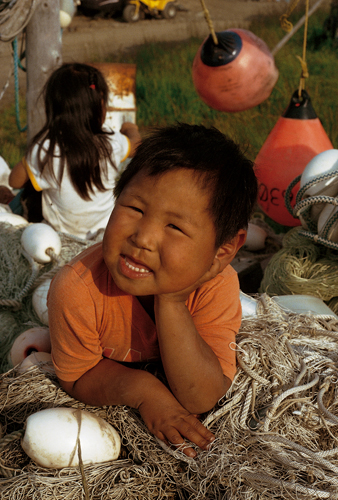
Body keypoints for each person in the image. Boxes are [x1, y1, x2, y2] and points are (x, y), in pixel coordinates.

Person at [48, 123, 258, 457]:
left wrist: (172, 301)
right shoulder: (77, 289)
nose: (142, 238)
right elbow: (78, 376)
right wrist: (145, 391)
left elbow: (201, 396)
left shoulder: (217, 285)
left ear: (223, 251)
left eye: (174, 226)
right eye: (134, 209)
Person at [9, 62, 141, 239]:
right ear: (98, 107)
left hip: (61, 238)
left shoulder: (46, 149)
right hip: (104, 233)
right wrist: (130, 128)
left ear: (54, 108)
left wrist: (31, 159)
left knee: (22, 198)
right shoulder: (111, 140)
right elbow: (136, 146)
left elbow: (14, 181)